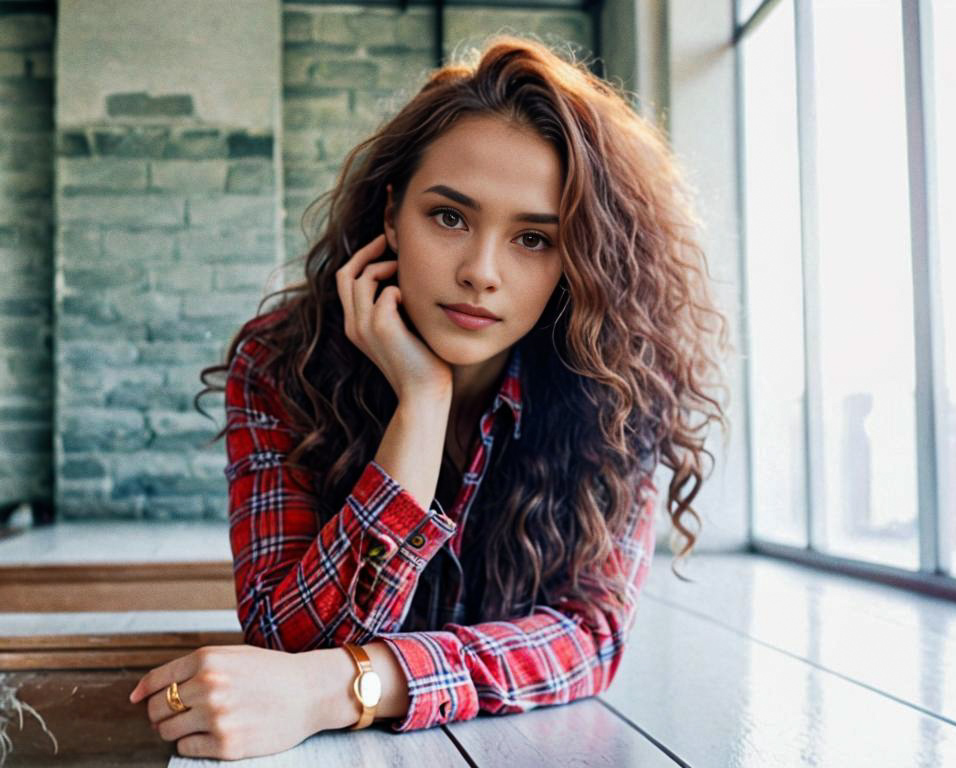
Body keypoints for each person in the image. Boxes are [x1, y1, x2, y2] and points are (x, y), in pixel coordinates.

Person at [127, 33, 732, 761]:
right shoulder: (281, 362)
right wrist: (420, 402)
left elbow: (587, 638)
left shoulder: (619, 383)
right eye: (449, 217)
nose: (481, 271)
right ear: (390, 216)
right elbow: (287, 642)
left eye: (534, 239)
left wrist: (346, 688)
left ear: (579, 259)